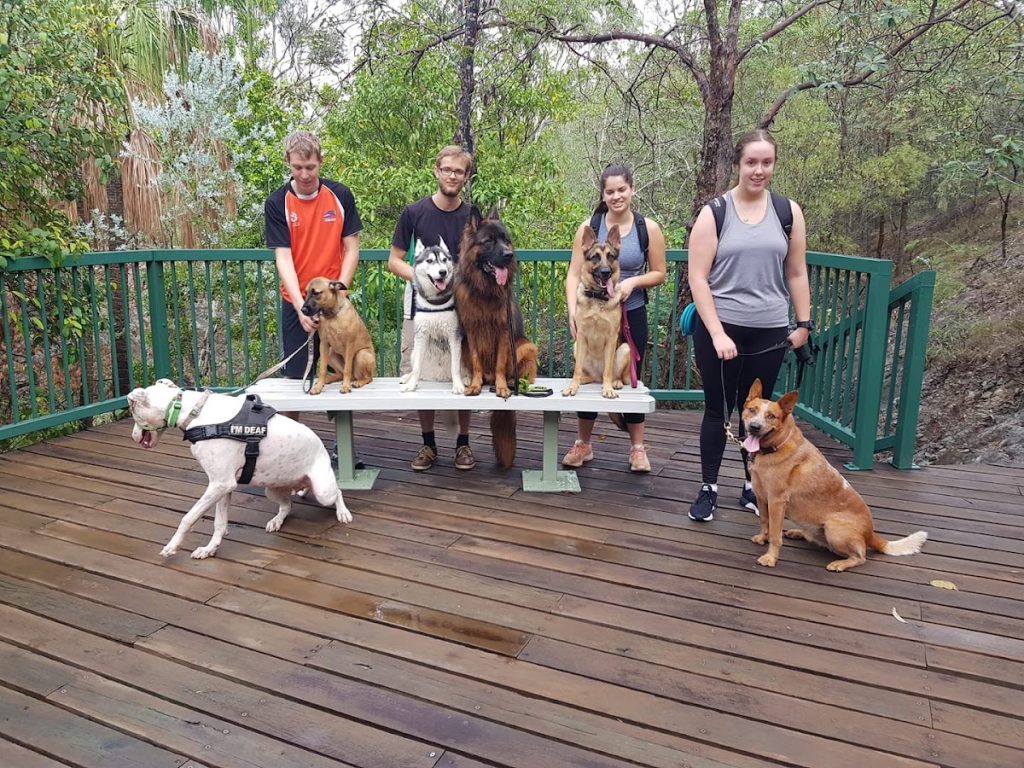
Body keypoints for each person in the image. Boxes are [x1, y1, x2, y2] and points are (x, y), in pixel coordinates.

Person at [686, 129, 812, 522]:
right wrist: (717, 333)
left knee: (757, 412)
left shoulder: (788, 212)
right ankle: (709, 488)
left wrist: (804, 323)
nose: (759, 170)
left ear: (774, 165)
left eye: (766, 163)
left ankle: (751, 485)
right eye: (751, 162)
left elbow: (796, 271)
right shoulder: (715, 213)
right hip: (720, 328)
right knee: (717, 410)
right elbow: (697, 277)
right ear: (738, 164)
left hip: (769, 331)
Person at [561, 163, 667, 473]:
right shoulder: (589, 226)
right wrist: (572, 310)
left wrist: (631, 284)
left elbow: (659, 273)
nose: (616, 196)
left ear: (632, 189)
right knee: (586, 369)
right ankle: (584, 443)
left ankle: (637, 448)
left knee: (631, 381)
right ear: (603, 194)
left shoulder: (648, 228)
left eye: (622, 189)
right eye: (610, 191)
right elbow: (573, 273)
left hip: (631, 311)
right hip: (590, 306)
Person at [264, 131, 363, 463]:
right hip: (297, 299)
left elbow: (352, 248)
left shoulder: (340, 195)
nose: (304, 174)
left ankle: (343, 448)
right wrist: (300, 306)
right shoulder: (277, 202)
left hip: (335, 302)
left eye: (310, 167)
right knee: (296, 376)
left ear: (320, 161)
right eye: (297, 167)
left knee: (341, 367)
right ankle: (290, 449)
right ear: (288, 164)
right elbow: (283, 258)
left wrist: (339, 293)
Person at [388, 145, 475, 472]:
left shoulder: (472, 215)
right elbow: (394, 260)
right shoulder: (414, 212)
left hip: (461, 306)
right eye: (447, 169)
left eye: (459, 171)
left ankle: (463, 443)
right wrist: (424, 280)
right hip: (419, 306)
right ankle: (428, 443)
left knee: (462, 370)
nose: (452, 175)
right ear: (437, 170)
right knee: (418, 371)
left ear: (466, 177)